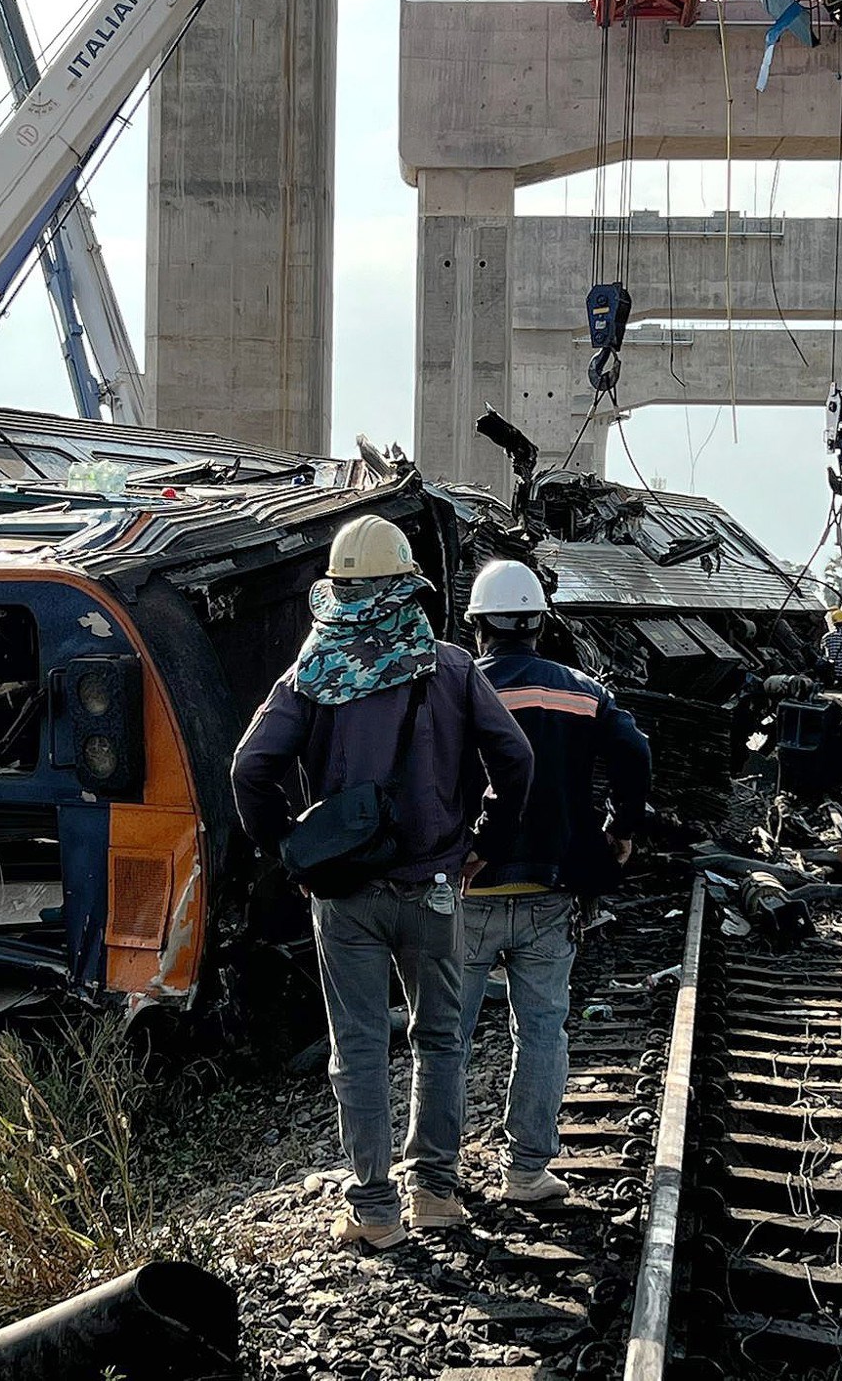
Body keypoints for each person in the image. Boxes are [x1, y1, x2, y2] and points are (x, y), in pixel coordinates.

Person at [231, 516, 534, 1252]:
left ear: (339, 591)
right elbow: (516, 759)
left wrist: (291, 850)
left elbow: (250, 770)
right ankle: (435, 1192)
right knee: (440, 1041)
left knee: (359, 1047)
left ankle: (373, 1209)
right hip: (434, 886)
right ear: (406, 590)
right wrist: (485, 843)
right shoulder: (454, 665)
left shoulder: (310, 672)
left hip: (344, 897)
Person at [458, 559, 651, 1207]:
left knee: (443, 1038)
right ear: (539, 624)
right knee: (541, 1030)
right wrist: (620, 828)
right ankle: (527, 1173)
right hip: (552, 890)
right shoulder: (579, 690)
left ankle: (436, 1182)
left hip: (466, 891)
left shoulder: (454, 690)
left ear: (478, 626)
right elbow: (636, 753)